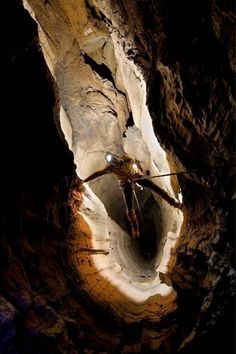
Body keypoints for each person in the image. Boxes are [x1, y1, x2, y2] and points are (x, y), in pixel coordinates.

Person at [83, 152, 182, 238]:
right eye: (111, 161)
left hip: (137, 177)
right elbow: (98, 173)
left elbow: (133, 162)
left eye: (113, 159)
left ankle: (173, 203)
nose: (114, 162)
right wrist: (85, 180)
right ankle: (135, 227)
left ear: (115, 156)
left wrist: (138, 173)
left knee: (156, 188)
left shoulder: (126, 159)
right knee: (130, 210)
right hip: (125, 184)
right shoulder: (111, 168)